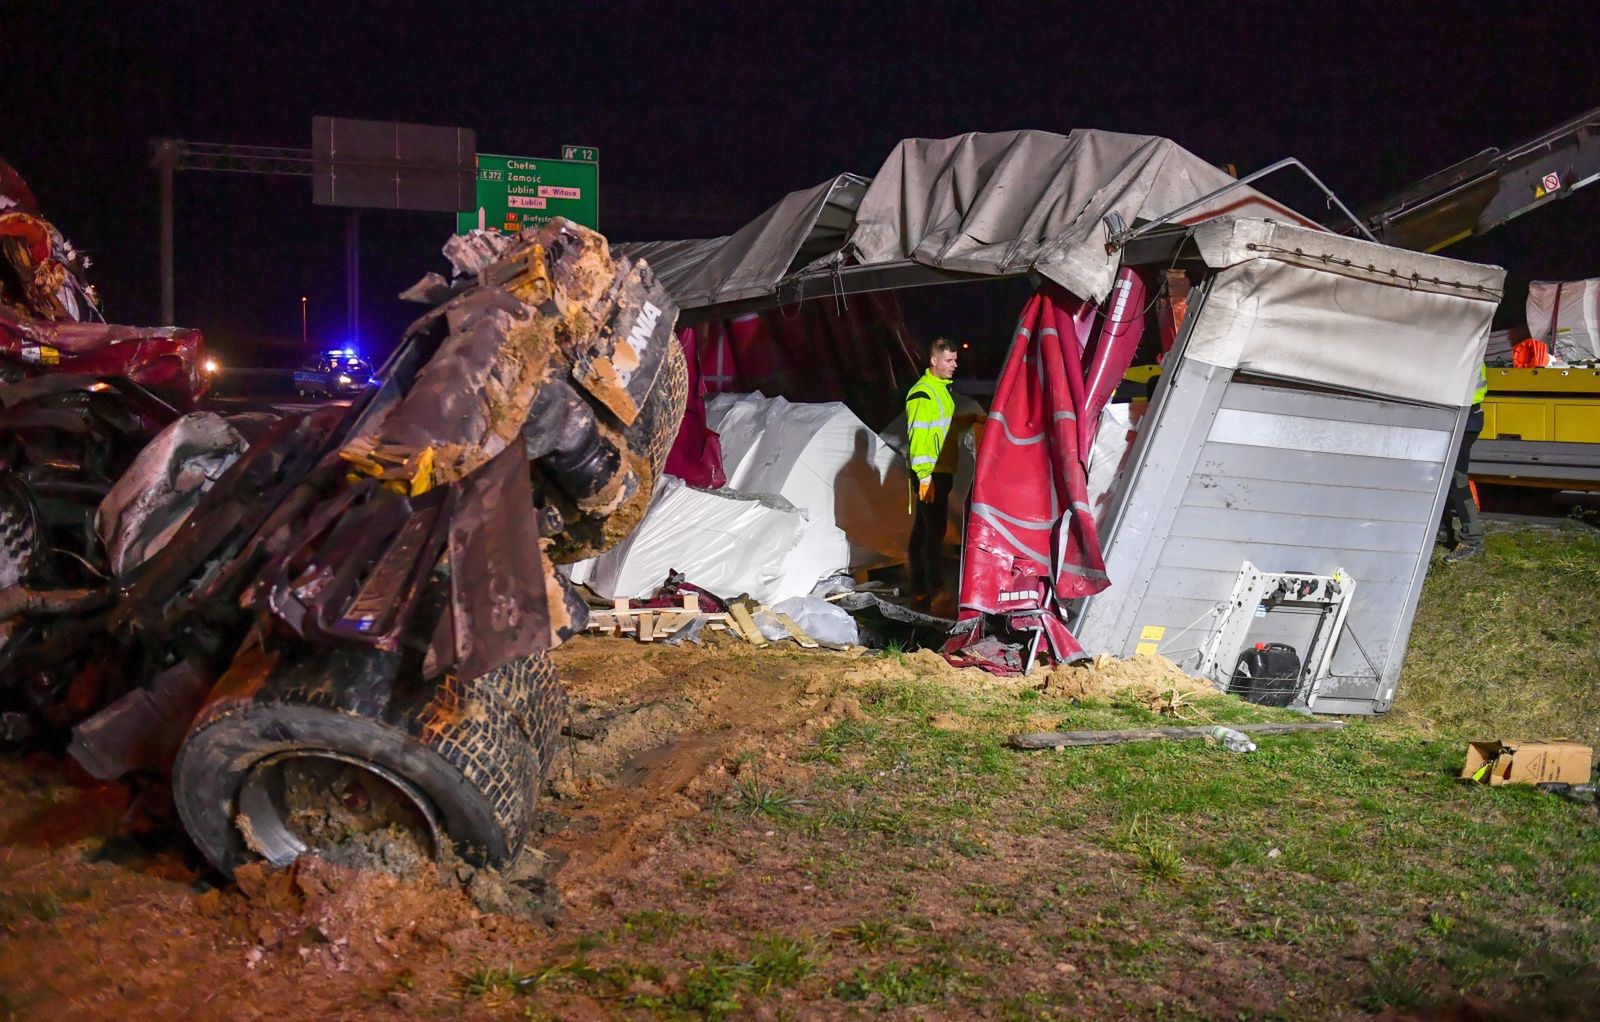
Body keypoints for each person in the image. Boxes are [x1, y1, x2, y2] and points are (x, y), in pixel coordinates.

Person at [905, 338, 959, 611]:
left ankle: (918, 589)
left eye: (955, 360)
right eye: (949, 360)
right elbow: (919, 438)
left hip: (941, 472)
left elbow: (941, 429)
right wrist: (924, 477)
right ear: (934, 361)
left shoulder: (941, 391)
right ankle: (935, 590)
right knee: (934, 533)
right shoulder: (923, 393)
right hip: (931, 475)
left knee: (923, 531)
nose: (954, 365)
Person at [1441, 363, 1488, 562]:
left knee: (1456, 479)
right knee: (1438, 477)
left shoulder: (1465, 348)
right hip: (1459, 417)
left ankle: (1472, 540)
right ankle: (1442, 530)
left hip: (1465, 419)